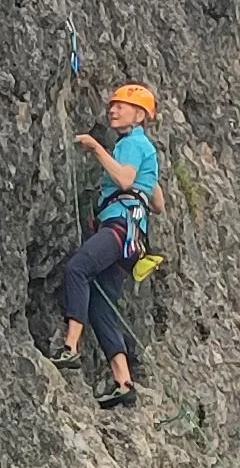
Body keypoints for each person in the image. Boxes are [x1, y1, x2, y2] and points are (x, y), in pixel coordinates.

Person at [57, 84, 162, 414]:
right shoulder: (144, 148)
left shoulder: (131, 143)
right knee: (102, 307)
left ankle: (70, 346)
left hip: (119, 228)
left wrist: (95, 148)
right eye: (112, 106)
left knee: (78, 268)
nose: (112, 110)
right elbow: (158, 202)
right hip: (132, 238)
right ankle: (123, 382)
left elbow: (125, 181)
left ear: (140, 115)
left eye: (121, 106)